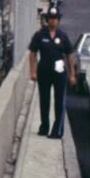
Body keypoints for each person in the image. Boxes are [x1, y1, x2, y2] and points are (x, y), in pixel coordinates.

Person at [28, 8, 76, 139]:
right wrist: (32, 71)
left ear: (58, 21)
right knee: (44, 99)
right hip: (44, 70)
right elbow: (32, 53)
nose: (53, 21)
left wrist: (72, 74)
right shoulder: (40, 35)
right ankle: (44, 127)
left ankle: (57, 130)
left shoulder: (63, 36)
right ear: (47, 19)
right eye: (51, 18)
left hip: (59, 71)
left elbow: (70, 55)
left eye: (55, 19)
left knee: (59, 100)